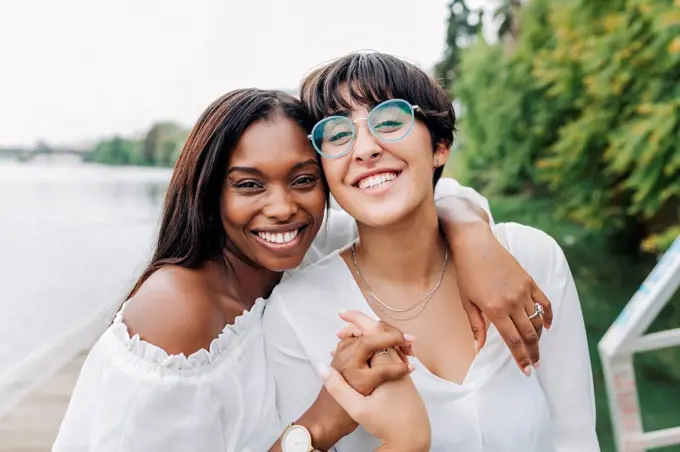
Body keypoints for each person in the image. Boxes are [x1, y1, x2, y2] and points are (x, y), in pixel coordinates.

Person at [53, 86, 552, 452]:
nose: (282, 208)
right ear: (209, 192)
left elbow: (423, 195)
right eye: (249, 185)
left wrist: (473, 237)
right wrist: (324, 420)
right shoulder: (179, 310)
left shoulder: (310, 242)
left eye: (303, 179)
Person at [263, 51, 600, 451]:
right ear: (324, 170)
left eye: (389, 122)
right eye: (338, 135)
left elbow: (576, 438)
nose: (365, 148)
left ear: (440, 146)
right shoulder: (295, 311)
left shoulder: (529, 257)